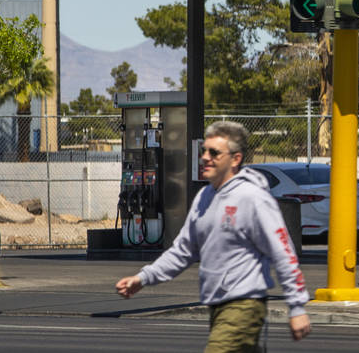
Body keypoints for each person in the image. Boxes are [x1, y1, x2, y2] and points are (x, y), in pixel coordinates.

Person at [116, 121, 310, 351]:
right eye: (204, 151)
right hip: (216, 306)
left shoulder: (253, 198)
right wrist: (143, 278)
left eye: (214, 153)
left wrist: (297, 306)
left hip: (243, 305)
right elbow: (183, 251)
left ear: (235, 159)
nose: (205, 157)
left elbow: (284, 253)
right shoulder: (204, 197)